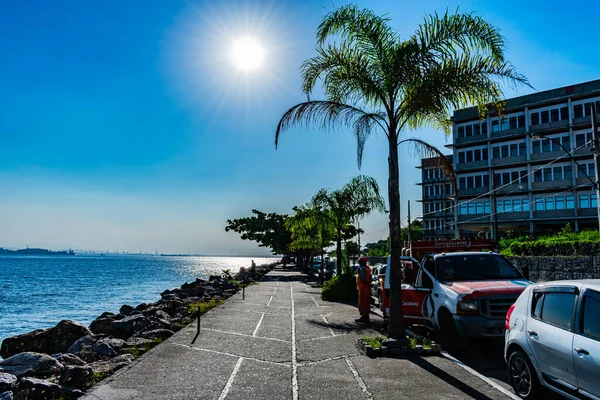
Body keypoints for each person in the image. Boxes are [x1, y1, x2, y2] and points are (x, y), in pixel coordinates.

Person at [355, 256, 372, 323]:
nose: (359, 263)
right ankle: (366, 316)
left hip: (363, 288)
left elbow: (363, 278)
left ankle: (364, 317)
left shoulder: (362, 269)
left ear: (362, 262)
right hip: (367, 288)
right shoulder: (368, 268)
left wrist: (367, 284)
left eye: (359, 261)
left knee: (362, 302)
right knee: (367, 302)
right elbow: (370, 278)